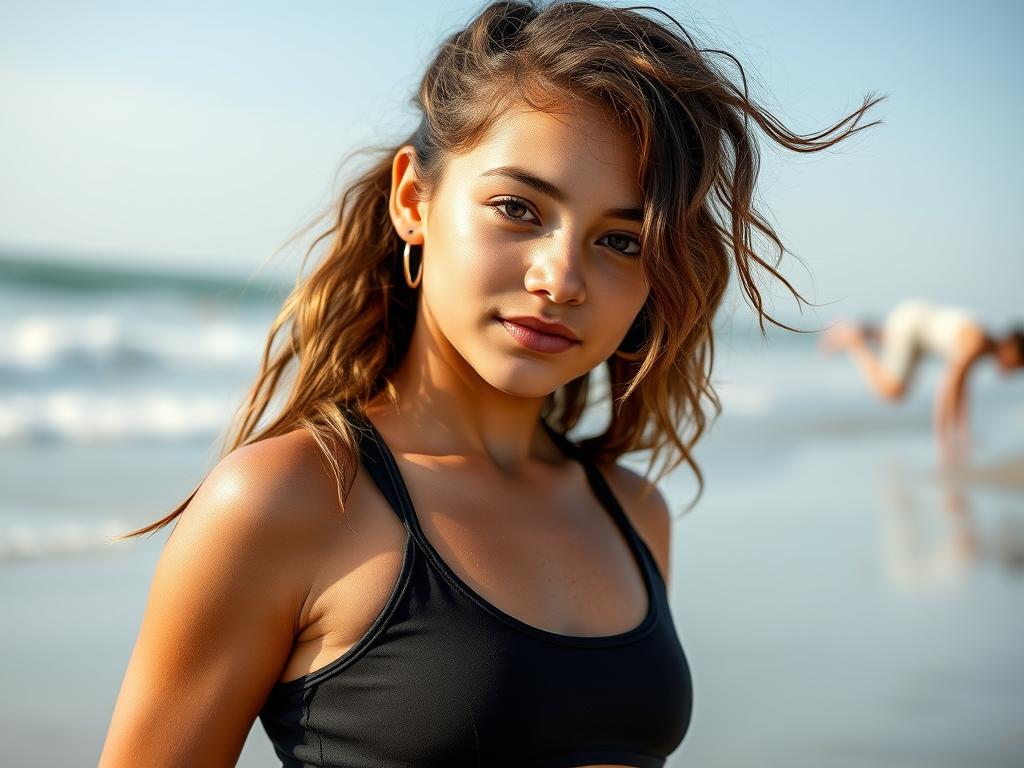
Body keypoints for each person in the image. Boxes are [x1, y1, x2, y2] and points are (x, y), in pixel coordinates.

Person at [98, 2, 882, 765]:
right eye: (517, 207)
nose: (562, 278)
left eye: (621, 239)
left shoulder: (635, 515)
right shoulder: (292, 499)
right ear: (414, 199)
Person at [820, 297, 1024, 465]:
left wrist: (963, 433)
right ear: (1012, 350)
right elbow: (950, 383)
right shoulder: (977, 343)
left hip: (917, 324)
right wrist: (944, 441)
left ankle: (865, 330)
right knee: (893, 392)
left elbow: (961, 386)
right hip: (912, 326)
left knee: (897, 375)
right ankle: (853, 340)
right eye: (1019, 364)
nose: (1016, 371)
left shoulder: (982, 343)